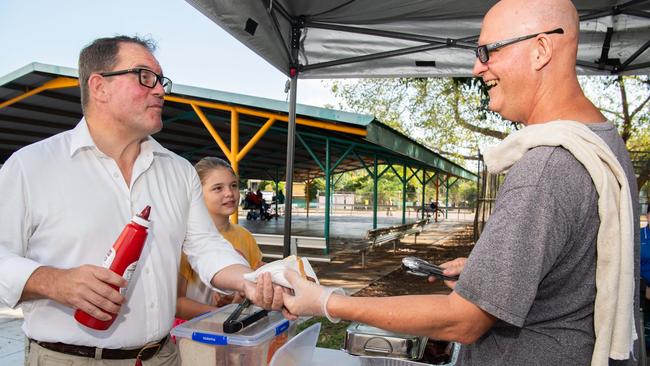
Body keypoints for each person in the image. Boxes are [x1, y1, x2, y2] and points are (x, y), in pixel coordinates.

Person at [281, 1, 640, 365]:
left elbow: (463, 321)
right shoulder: (603, 144)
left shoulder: (545, 168)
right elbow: (572, 271)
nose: (477, 67)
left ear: (541, 49)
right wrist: (494, 269)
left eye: (487, 51)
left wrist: (328, 301)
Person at [0, 35, 284, 365]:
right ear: (99, 86)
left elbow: (206, 246)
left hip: (162, 356)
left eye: (161, 80)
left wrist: (249, 282)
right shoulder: (31, 166)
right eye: (145, 77)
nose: (160, 90)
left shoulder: (178, 171)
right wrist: (53, 282)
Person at [176, 157, 264, 320]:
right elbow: (177, 303)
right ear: (196, 193)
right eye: (218, 188)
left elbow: (250, 290)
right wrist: (221, 315)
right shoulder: (183, 241)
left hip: (234, 334)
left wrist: (237, 300)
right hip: (194, 336)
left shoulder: (245, 236)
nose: (229, 193)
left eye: (233, 185)